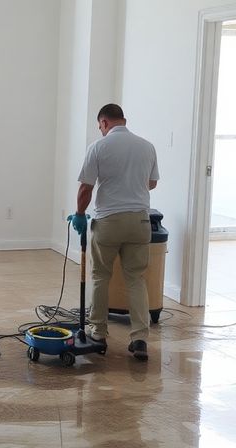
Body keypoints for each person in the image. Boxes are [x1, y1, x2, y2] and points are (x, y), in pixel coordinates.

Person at [70, 103, 159, 361]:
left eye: (100, 126)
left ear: (104, 122)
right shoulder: (147, 146)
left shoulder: (98, 147)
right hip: (140, 221)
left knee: (100, 276)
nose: (100, 130)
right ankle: (140, 338)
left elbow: (85, 188)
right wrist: (131, 188)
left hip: (108, 221)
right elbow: (152, 183)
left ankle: (98, 333)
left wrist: (79, 213)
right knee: (136, 278)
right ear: (124, 120)